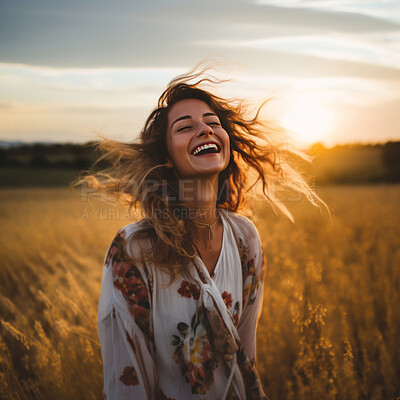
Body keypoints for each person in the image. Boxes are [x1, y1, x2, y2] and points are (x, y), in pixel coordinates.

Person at [76, 66, 327, 399]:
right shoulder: (133, 250)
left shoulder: (244, 238)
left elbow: (246, 360)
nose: (206, 130)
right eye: (185, 127)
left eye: (213, 123)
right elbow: (128, 383)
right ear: (166, 158)